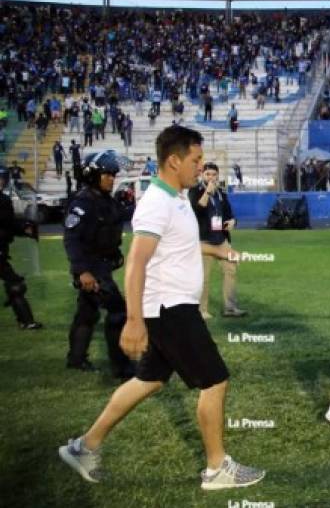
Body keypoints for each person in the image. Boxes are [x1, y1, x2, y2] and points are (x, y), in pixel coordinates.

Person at [58, 125, 265, 490]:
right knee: (215, 381)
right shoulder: (156, 202)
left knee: (148, 380)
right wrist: (135, 320)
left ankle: (84, 446)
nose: (201, 167)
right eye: (196, 160)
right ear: (173, 160)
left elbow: (177, 246)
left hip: (169, 306)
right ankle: (217, 469)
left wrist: (215, 249)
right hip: (170, 308)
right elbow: (137, 262)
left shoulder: (178, 196)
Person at [62, 151, 134, 377]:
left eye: (113, 175)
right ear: (92, 175)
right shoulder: (83, 201)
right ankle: (121, 367)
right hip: (91, 268)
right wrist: (82, 271)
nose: (112, 179)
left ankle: (76, 359)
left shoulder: (105, 200)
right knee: (118, 312)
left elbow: (120, 217)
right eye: (107, 174)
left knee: (87, 312)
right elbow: (71, 238)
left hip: (103, 266)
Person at [188, 162, 245, 319]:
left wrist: (233, 221)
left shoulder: (221, 193)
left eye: (214, 175)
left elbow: (229, 214)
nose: (211, 178)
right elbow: (197, 210)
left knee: (231, 270)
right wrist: (207, 192)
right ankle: (202, 310)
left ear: (218, 176)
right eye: (208, 174)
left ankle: (230, 308)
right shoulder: (195, 190)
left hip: (221, 240)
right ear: (203, 175)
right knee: (204, 277)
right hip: (203, 242)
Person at [0, 167, 41, 330]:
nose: (2, 181)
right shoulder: (2, 200)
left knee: (14, 283)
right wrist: (25, 228)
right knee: (15, 284)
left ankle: (25, 320)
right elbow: (6, 224)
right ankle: (26, 321)